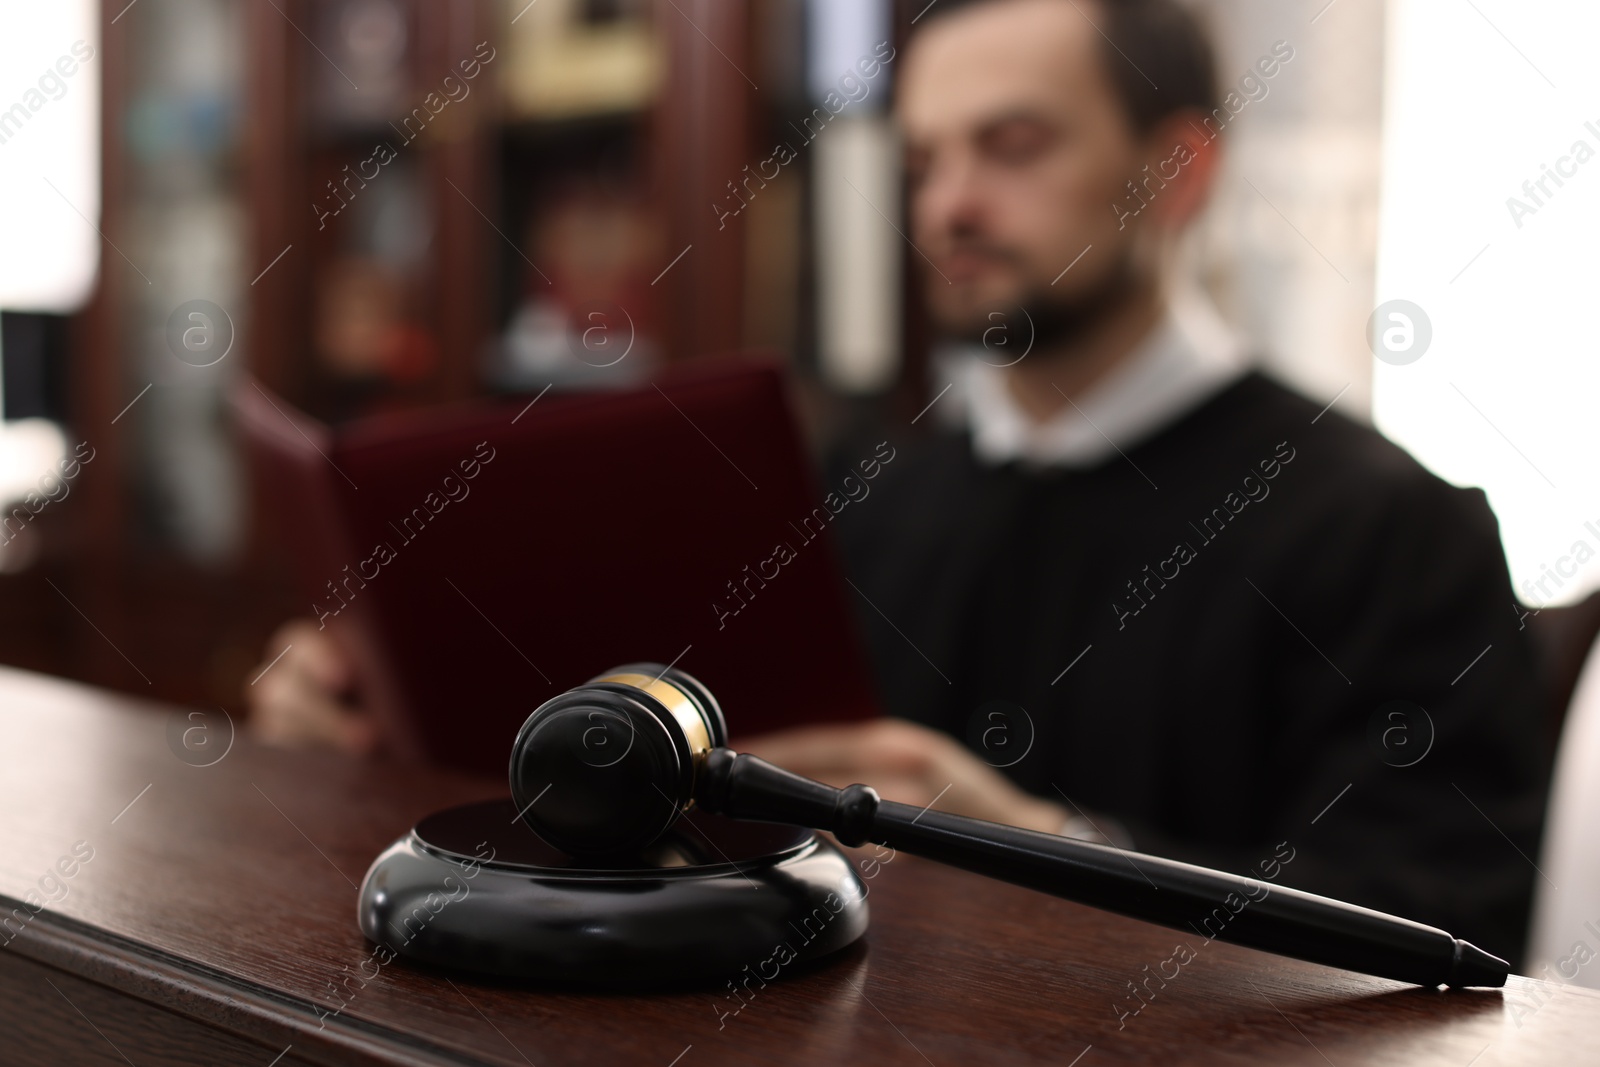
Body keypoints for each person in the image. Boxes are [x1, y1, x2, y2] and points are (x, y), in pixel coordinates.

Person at [249, 0, 1551, 963]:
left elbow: (1448, 941)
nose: (946, 209)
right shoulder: (863, 499)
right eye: (924, 161)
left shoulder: (1392, 530)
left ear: (1176, 173)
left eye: (1014, 146)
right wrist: (380, 731)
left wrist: (1045, 845)